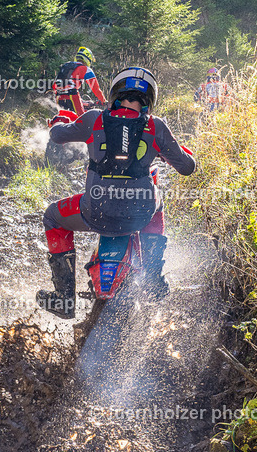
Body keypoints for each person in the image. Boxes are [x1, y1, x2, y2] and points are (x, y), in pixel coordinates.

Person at [37, 67, 196, 319]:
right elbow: (187, 167)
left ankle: (64, 298)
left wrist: (59, 121)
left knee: (52, 217)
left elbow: (57, 135)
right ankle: (153, 279)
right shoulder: (156, 126)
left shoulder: (93, 118)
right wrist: (174, 150)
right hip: (140, 214)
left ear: (115, 93)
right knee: (157, 200)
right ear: (149, 99)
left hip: (96, 212)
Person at [52, 46, 106, 115]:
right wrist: (104, 101)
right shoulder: (85, 69)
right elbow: (96, 89)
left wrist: (83, 102)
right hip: (72, 95)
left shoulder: (66, 66)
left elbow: (54, 85)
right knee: (81, 119)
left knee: (63, 118)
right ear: (88, 59)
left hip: (59, 97)